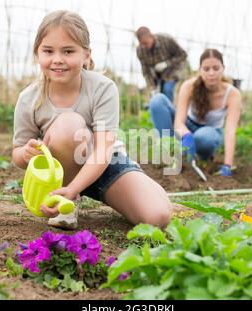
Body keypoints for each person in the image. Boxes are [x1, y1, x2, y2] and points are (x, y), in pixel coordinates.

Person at [12, 10, 172, 230]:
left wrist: (76, 187)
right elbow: (17, 154)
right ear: (37, 53)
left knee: (158, 216)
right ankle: (68, 204)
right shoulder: (29, 98)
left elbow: (103, 152)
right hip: (63, 173)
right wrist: (26, 153)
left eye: (68, 51)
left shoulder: (103, 88)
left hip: (105, 164)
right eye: (48, 51)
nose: (58, 59)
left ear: (86, 55)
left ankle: (140, 187)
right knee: (68, 126)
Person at [149, 49, 242, 177]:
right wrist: (186, 135)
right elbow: (178, 122)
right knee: (157, 101)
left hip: (210, 132)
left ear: (223, 68)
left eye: (216, 68)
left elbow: (230, 131)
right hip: (188, 125)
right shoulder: (189, 86)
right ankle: (172, 155)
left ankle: (203, 157)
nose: (211, 73)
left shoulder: (232, 94)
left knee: (203, 137)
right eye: (206, 69)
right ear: (200, 70)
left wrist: (227, 165)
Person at [135, 26, 188, 103]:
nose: (144, 46)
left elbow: (183, 55)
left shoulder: (166, 40)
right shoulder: (140, 50)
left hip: (174, 70)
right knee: (157, 95)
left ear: (151, 36)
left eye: (145, 43)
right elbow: (146, 71)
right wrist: (152, 88)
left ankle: (170, 112)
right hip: (158, 74)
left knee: (167, 89)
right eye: (141, 43)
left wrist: (166, 63)